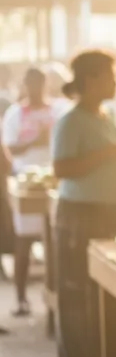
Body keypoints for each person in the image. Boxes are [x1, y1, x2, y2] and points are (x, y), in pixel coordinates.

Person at [51, 51, 116, 357]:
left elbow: (115, 153)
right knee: (79, 293)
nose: (115, 83)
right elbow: (62, 168)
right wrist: (111, 153)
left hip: (112, 212)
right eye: (110, 77)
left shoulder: (108, 116)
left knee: (113, 293)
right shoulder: (71, 121)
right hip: (81, 215)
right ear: (90, 80)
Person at [1, 68, 56, 316]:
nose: (35, 88)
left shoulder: (56, 111)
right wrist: (34, 141)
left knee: (53, 243)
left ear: (45, 83)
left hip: (52, 181)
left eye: (38, 82)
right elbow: (8, 150)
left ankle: (53, 298)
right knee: (23, 241)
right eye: (30, 83)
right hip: (24, 183)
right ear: (25, 84)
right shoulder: (15, 114)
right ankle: (21, 298)